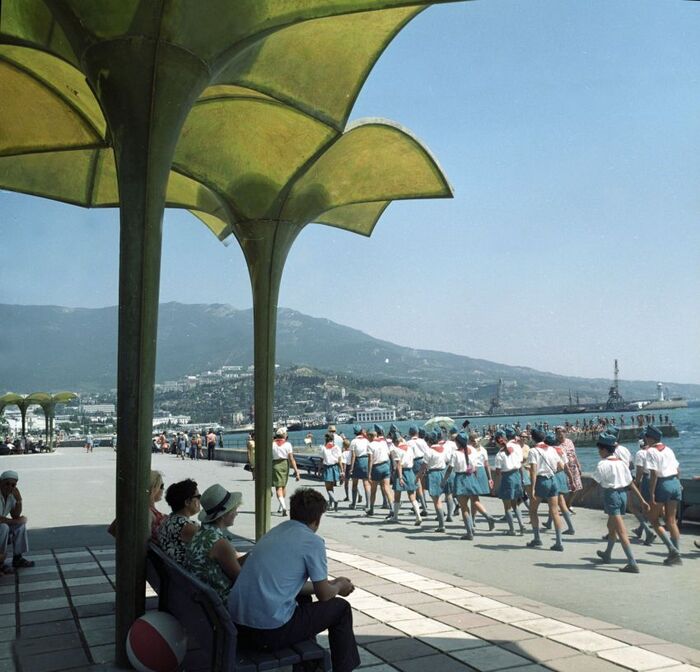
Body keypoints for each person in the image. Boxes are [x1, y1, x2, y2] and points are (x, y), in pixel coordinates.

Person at [229, 488, 360, 672]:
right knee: (341, 609)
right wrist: (339, 586)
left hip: (238, 627)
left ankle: (309, 665)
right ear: (317, 520)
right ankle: (344, 669)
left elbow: (288, 585)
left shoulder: (276, 532)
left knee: (303, 599)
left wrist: (329, 584)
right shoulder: (312, 542)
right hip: (267, 633)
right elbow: (324, 595)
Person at [592, 433, 648, 573]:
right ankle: (607, 554)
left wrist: (582, 495)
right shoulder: (622, 463)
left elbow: (594, 482)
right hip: (623, 495)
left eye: (599, 449)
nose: (599, 452)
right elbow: (630, 483)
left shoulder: (602, 464)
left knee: (621, 530)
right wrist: (641, 499)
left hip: (611, 496)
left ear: (604, 450)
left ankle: (632, 562)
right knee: (611, 526)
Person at [186, 485, 245, 601]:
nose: (236, 514)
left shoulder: (201, 533)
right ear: (223, 515)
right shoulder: (220, 543)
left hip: (201, 599)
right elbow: (240, 579)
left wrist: (252, 556)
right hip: (220, 603)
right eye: (234, 510)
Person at [644, 425, 683, 566]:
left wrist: (652, 493)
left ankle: (672, 550)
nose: (645, 439)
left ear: (650, 438)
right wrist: (678, 483)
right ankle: (676, 553)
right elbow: (678, 469)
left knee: (653, 519)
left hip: (662, 484)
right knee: (671, 520)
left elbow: (654, 474)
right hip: (675, 483)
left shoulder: (651, 451)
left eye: (646, 437)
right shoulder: (669, 450)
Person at [526, 428, 566, 551]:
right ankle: (559, 542)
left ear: (533, 438)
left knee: (533, 510)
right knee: (554, 511)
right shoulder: (552, 449)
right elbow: (561, 466)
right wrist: (552, 471)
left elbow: (533, 471)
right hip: (553, 479)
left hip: (541, 480)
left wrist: (532, 488)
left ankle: (537, 538)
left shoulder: (533, 451)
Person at [442, 432, 478, 539]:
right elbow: (475, 467)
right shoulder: (472, 451)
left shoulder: (455, 453)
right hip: (471, 477)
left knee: (464, 507)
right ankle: (471, 526)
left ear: (457, 442)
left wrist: (444, 480)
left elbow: (450, 468)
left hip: (460, 479)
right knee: (471, 504)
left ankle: (469, 532)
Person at [157, 479, 201, 565]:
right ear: (187, 502)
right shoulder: (186, 527)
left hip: (174, 571)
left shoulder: (168, 521)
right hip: (187, 572)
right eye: (198, 497)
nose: (200, 500)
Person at [0, 470, 34, 574]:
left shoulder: (12, 495)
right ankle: (0, 562)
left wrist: (19, 500)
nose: (9, 487)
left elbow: (15, 515)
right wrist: (16, 520)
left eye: (13, 485)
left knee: (20, 525)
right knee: (4, 527)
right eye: (7, 484)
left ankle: (17, 558)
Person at [494, 429, 525, 536]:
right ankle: (521, 524)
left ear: (497, 442)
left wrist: (495, 486)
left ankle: (512, 529)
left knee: (507, 507)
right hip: (517, 475)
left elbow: (498, 472)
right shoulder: (516, 447)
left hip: (507, 478)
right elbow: (520, 462)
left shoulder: (499, 455)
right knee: (515, 505)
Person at [388, 430, 422, 525]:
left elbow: (399, 464)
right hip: (410, 471)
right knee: (412, 495)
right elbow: (412, 460)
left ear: (394, 441)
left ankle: (395, 516)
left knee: (397, 495)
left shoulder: (396, 450)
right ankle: (418, 516)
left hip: (401, 472)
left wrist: (400, 477)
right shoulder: (409, 448)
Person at [272, 428, 301, 516]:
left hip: (275, 464)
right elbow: (291, 459)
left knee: (278, 487)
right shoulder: (288, 444)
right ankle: (281, 506)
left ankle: (283, 506)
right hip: (285, 464)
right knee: (283, 486)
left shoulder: (272, 444)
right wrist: (296, 471)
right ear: (284, 435)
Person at [366, 425, 392, 517]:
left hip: (376, 467)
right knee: (387, 488)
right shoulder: (383, 443)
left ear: (371, 436)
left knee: (373, 490)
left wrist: (369, 473)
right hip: (385, 465)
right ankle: (392, 508)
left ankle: (371, 509)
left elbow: (370, 460)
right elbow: (388, 453)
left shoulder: (370, 445)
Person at [555, 426, 583, 511]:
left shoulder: (569, 441)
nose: (560, 434)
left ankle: (568, 504)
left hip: (573, 467)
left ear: (565, 433)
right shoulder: (555, 445)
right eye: (558, 433)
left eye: (562, 432)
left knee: (576, 487)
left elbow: (574, 454)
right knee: (565, 488)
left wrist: (578, 465)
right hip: (563, 469)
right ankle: (563, 506)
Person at [320, 432, 343, 512]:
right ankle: (330, 504)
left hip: (327, 467)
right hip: (335, 467)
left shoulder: (323, 448)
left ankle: (334, 500)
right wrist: (342, 470)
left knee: (328, 488)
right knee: (332, 487)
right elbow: (339, 460)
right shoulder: (337, 447)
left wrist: (319, 469)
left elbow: (321, 459)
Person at [348, 425, 370, 510]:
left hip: (357, 461)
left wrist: (351, 467)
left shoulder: (353, 441)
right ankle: (368, 504)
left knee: (354, 484)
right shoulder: (366, 441)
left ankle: (354, 504)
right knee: (366, 484)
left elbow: (353, 455)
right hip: (366, 460)